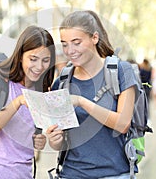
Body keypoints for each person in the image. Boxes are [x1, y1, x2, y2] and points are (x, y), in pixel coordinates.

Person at [46, 10, 138, 179]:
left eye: (76, 42)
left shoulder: (120, 72)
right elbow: (59, 143)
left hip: (115, 174)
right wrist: (54, 139)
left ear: (94, 38)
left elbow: (122, 124)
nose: (70, 50)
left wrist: (82, 101)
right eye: (65, 44)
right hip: (71, 173)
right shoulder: (62, 82)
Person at [0, 25, 56, 179]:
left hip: (22, 174)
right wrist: (17, 102)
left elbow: (23, 134)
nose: (39, 67)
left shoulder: (40, 90)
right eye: (33, 59)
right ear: (20, 55)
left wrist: (37, 141)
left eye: (45, 60)